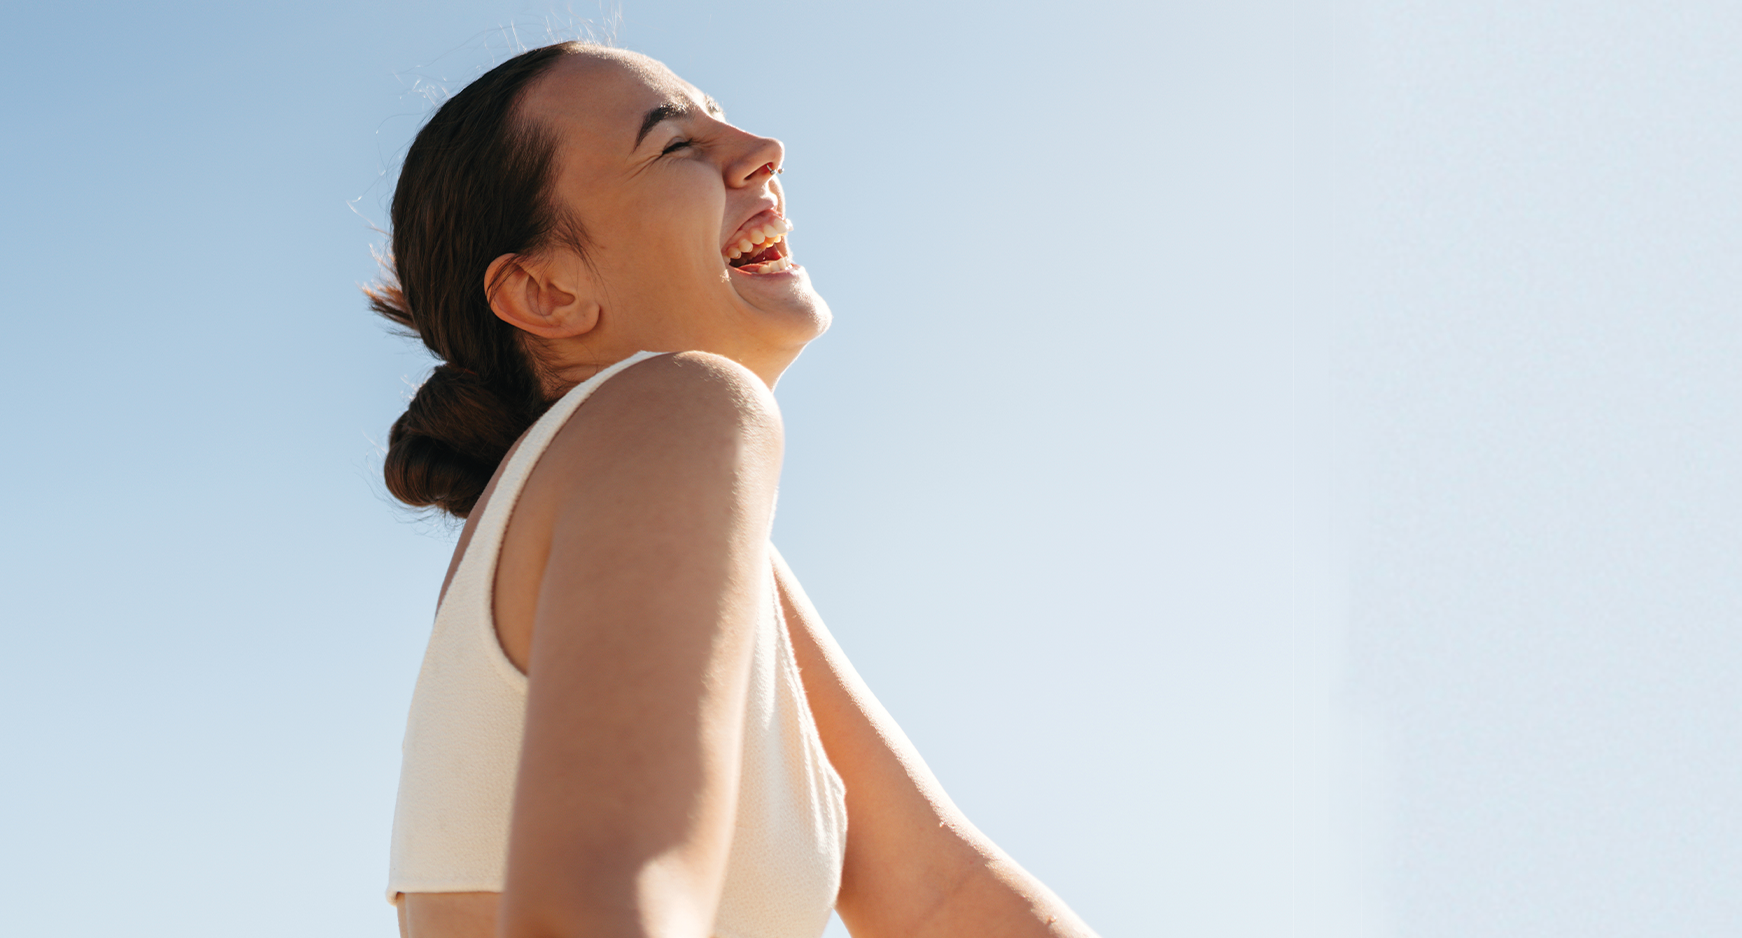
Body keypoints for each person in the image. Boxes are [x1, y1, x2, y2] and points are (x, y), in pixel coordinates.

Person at [368, 41, 1098, 938]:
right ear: (545, 291)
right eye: (674, 144)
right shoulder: (682, 402)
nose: (763, 148)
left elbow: (943, 897)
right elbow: (597, 910)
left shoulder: (668, 506)